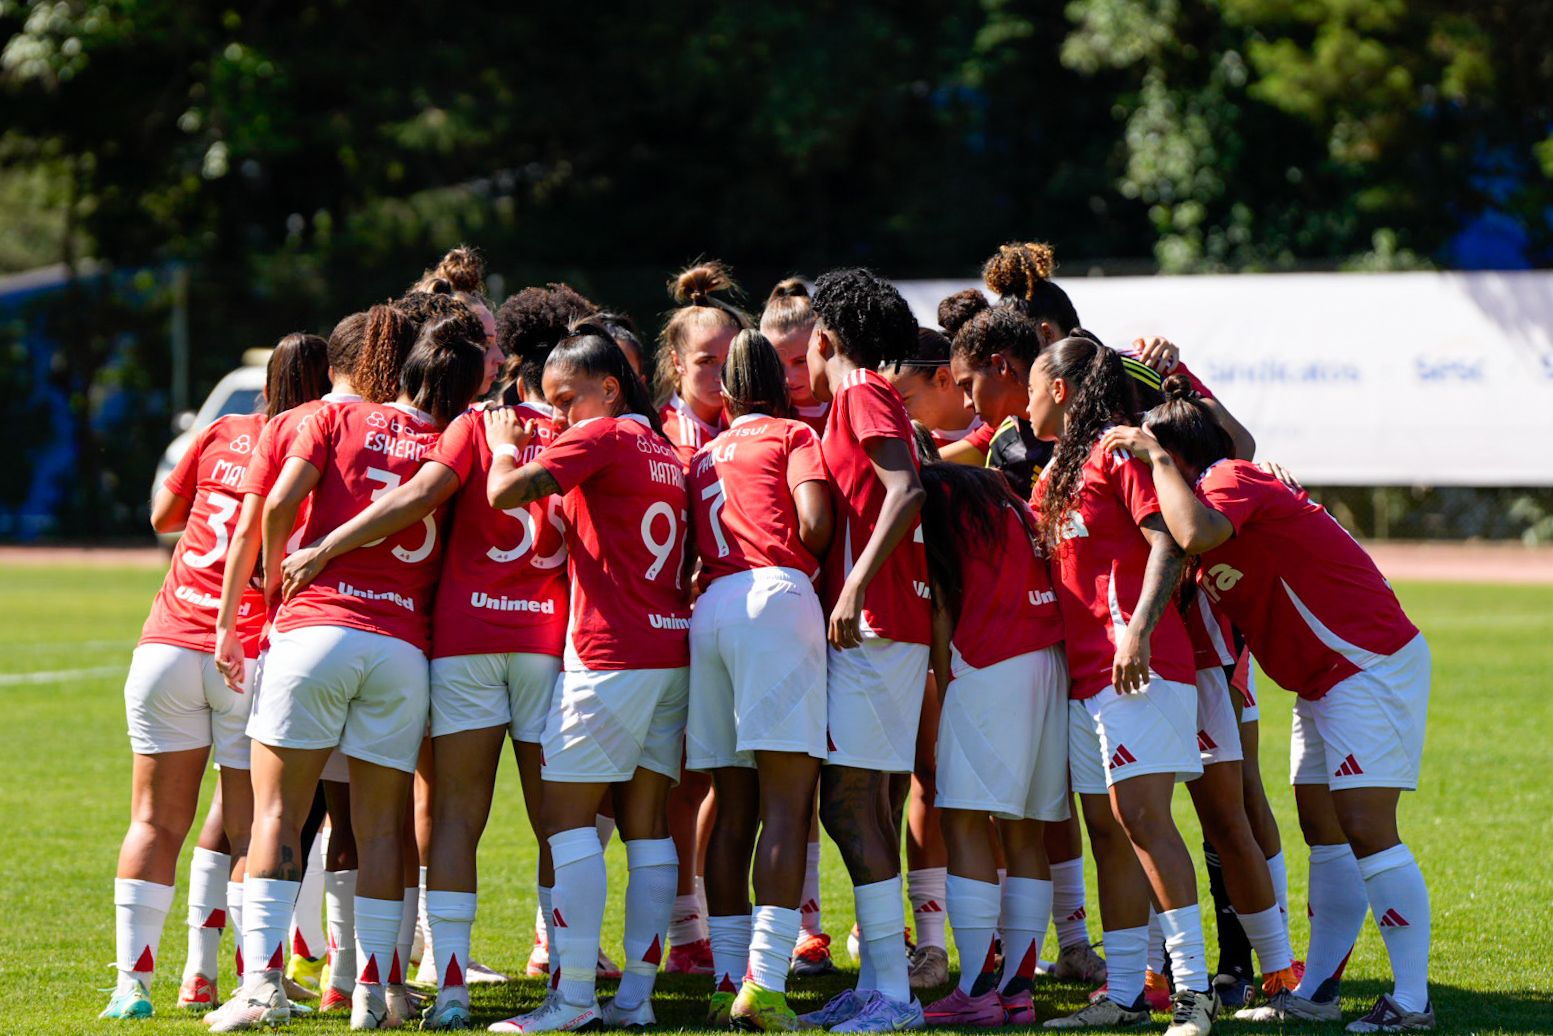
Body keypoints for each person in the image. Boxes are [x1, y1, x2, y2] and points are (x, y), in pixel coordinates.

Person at [1100, 381, 1435, 1033]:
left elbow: (1194, 529)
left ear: (1179, 458)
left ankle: (1414, 1000)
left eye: (1152, 463)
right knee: (1325, 833)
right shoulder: (1229, 476)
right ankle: (1315, 991)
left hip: (1365, 662)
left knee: (1367, 827)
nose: (1143, 477)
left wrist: (1155, 457)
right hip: (1322, 680)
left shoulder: (1227, 478)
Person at [277, 313, 575, 1029]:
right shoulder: (575, 433)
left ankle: (449, 991)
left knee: (452, 821)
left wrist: (322, 549)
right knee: (559, 828)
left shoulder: (472, 426)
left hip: (468, 637)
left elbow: (412, 499)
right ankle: (569, 986)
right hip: (546, 639)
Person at [202, 313, 487, 1032]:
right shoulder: (457, 439)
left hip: (316, 632)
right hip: (400, 648)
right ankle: (370, 995)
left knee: (277, 814)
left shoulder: (342, 419)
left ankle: (262, 989)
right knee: (383, 828)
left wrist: (275, 577)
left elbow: (277, 501)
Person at [98, 336, 328, 1022]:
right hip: (247, 651)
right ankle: (237, 979)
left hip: (166, 644)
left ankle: (132, 987)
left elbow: (163, 517)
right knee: (250, 826)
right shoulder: (312, 447)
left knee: (151, 821)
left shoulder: (220, 431)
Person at [481, 326, 692, 1033]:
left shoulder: (599, 438)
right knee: (647, 828)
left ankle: (570, 1001)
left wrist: (506, 441)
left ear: (608, 387)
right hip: (668, 651)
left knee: (564, 822)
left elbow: (504, 492)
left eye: (567, 399)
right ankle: (635, 999)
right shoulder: (664, 449)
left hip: (610, 655)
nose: (560, 415)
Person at [1027, 334, 1217, 1036]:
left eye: (1028, 385)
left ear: (1055, 388)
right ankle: (1125, 994)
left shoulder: (1116, 450)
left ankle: (1193, 995)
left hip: (1134, 665)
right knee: (1109, 833)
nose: (1020, 400)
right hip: (1084, 677)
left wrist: (1136, 629)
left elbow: (1169, 539)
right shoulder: (1055, 472)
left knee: (1143, 821)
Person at [685, 329, 834, 1030]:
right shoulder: (790, 435)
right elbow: (812, 525)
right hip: (775, 599)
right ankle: (766, 985)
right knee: (786, 802)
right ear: (778, 377)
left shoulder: (700, 453)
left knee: (731, 802)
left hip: (709, 609)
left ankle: (725, 980)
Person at [797, 267, 930, 1034]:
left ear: (824, 338)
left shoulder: (859, 394)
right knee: (860, 805)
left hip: (874, 624)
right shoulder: (855, 400)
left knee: (849, 805)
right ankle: (882, 984)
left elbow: (905, 490)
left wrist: (851, 589)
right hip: (877, 625)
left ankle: (895, 998)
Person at [915, 462, 1069, 1029]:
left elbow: (939, 607)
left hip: (988, 660)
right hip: (1049, 656)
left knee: (961, 818)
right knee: (1025, 830)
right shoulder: (994, 489)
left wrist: (945, 683)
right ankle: (1016, 991)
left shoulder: (929, 493)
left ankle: (978, 989)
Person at [756, 277, 840, 980]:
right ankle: (802, 927)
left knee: (886, 783)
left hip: (861, 617)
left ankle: (918, 929)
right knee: (787, 786)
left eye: (798, 359)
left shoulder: (852, 408)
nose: (792, 377)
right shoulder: (766, 430)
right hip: (788, 618)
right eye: (776, 363)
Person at [656, 261, 748, 464]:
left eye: (732, 359)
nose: (722, 375)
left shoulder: (751, 417)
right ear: (678, 361)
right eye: (706, 361)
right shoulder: (671, 439)